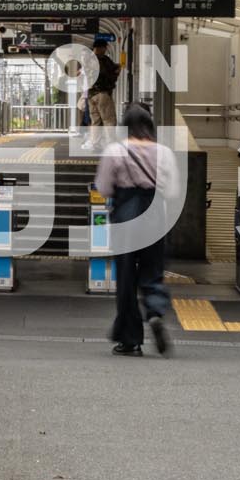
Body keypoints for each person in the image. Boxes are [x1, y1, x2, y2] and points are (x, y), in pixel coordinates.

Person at [94, 101, 177, 356]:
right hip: (155, 215)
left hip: (126, 216)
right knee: (153, 271)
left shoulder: (115, 151)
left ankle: (130, 341)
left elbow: (104, 187)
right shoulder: (164, 152)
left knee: (127, 278)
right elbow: (173, 191)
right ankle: (154, 313)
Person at [85, 33, 120, 128]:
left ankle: (95, 142)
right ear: (101, 48)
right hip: (102, 94)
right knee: (109, 121)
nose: (105, 51)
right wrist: (116, 72)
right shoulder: (102, 60)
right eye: (104, 48)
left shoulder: (87, 59)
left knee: (96, 122)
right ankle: (110, 142)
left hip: (91, 95)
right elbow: (107, 75)